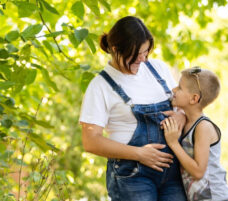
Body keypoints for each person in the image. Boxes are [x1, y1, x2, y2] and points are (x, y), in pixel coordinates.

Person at [79, 16, 187, 201]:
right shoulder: (100, 86)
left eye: (146, 52)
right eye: (136, 54)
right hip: (132, 176)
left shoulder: (158, 69)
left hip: (172, 173)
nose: (143, 59)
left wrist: (182, 117)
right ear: (115, 49)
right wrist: (139, 154)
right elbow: (91, 141)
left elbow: (185, 105)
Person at [162, 67, 228, 201]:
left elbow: (198, 171)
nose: (173, 90)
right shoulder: (188, 122)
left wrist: (173, 143)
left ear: (194, 98)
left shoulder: (203, 127)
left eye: (179, 88)